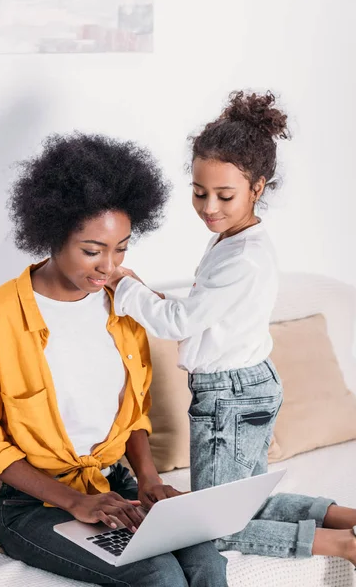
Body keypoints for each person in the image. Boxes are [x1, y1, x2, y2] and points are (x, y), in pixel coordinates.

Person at [0, 133, 228, 587]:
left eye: (121, 247)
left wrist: (147, 479)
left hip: (115, 486)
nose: (108, 266)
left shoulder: (123, 301)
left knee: (206, 560)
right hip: (34, 506)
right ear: (52, 233)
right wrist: (74, 501)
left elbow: (134, 413)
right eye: (92, 250)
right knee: (157, 575)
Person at [107, 92, 356, 566]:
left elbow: (177, 322)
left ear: (257, 187)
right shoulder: (236, 241)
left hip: (230, 396)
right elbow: (202, 313)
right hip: (245, 387)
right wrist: (144, 290)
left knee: (215, 527)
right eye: (199, 192)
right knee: (239, 504)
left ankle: (341, 545)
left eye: (225, 196)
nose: (209, 207)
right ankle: (344, 517)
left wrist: (124, 285)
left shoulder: (241, 257)